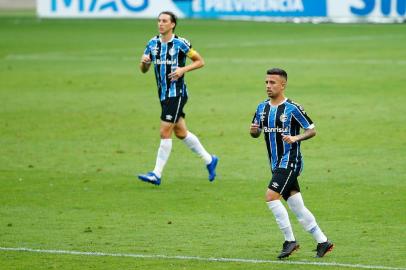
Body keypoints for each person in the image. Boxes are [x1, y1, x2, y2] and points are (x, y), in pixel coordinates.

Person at [250, 68, 334, 259]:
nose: (268, 86)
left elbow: (312, 130)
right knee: (297, 207)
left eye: (272, 83)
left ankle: (290, 241)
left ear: (283, 85)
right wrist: (254, 130)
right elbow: (255, 133)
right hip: (275, 163)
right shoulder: (261, 108)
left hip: (290, 161)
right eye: (266, 82)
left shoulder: (293, 108)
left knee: (271, 197)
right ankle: (323, 242)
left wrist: (296, 138)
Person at [137, 11, 218, 186]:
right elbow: (143, 70)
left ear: (172, 24)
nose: (160, 24)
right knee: (181, 132)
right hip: (163, 94)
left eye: (164, 21)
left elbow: (200, 61)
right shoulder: (152, 43)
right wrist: (144, 62)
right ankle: (210, 160)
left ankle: (156, 174)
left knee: (164, 131)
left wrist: (183, 70)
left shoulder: (181, 43)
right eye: (159, 21)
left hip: (177, 93)